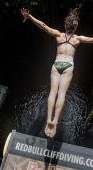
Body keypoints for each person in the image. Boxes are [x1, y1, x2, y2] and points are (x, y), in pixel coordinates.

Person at [21, 8, 93, 137]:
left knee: (52, 93)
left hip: (57, 64)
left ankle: (48, 120)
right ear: (75, 27)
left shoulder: (58, 35)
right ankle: (54, 122)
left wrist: (30, 16)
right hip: (68, 65)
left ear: (65, 25)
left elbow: (43, 26)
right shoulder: (78, 39)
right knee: (62, 94)